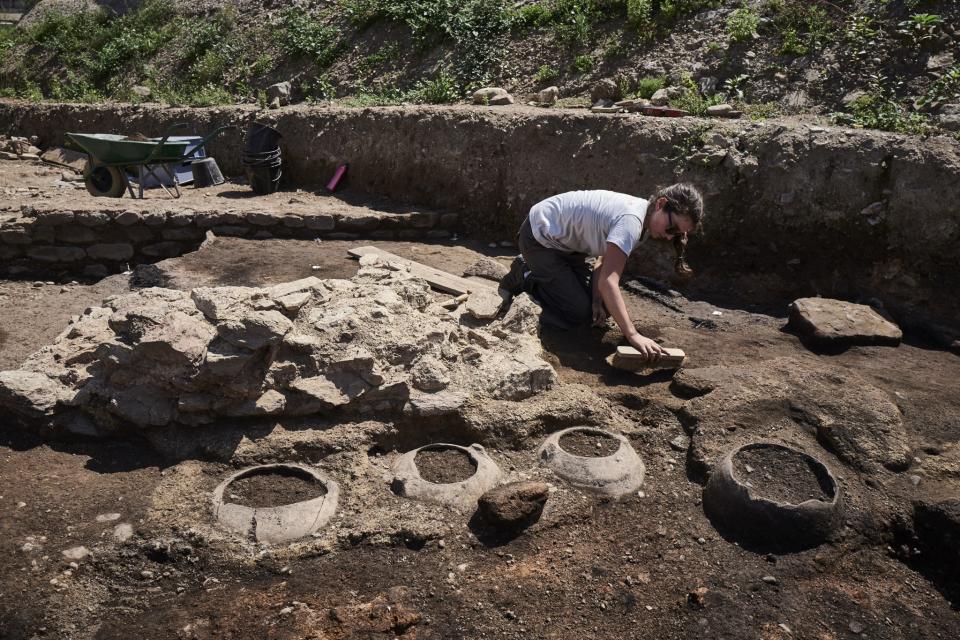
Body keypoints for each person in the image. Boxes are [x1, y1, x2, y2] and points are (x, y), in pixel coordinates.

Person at [500, 183, 704, 361]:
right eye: (672, 228)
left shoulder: (644, 221)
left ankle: (541, 274)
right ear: (660, 204)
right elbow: (609, 281)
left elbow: (603, 260)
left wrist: (597, 299)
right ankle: (525, 273)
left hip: (568, 248)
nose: (670, 237)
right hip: (539, 239)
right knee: (577, 313)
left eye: (676, 234)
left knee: (599, 309)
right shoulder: (631, 221)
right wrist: (632, 335)